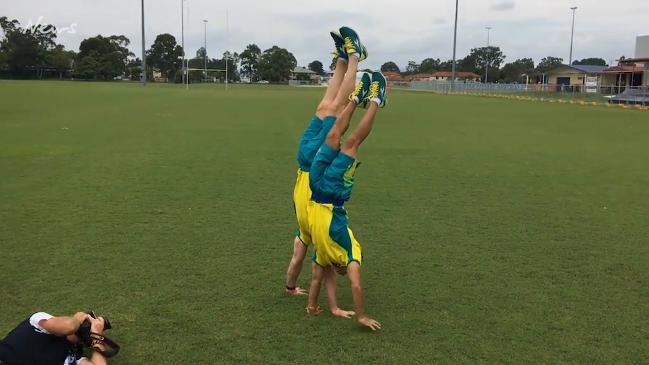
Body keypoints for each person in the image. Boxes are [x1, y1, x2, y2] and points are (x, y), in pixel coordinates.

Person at [284, 26, 367, 319]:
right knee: (334, 106)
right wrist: (291, 286)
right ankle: (353, 56)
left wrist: (292, 287)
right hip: (308, 161)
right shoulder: (305, 233)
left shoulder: (307, 235)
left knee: (328, 105)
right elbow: (295, 263)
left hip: (307, 162)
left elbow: (298, 262)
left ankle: (344, 59)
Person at [305, 67, 387, 331]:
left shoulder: (322, 254)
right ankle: (376, 100)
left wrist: (316, 306)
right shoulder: (351, 254)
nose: (338, 272)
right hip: (335, 193)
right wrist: (361, 315)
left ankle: (356, 97)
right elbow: (355, 284)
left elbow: (317, 281)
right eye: (338, 271)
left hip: (315, 188)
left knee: (332, 137)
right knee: (351, 143)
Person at [0, 311, 109, 365]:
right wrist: (77, 319)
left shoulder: (74, 356)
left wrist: (98, 336)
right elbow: (68, 326)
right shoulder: (39, 320)